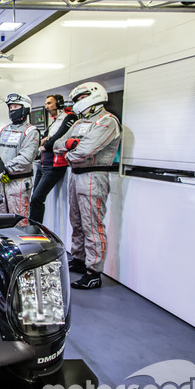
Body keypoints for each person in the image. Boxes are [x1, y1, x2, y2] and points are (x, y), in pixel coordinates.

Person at [53, 82, 121, 290]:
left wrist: (69, 151)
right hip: (75, 175)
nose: (78, 103)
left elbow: (84, 151)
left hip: (94, 175)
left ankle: (94, 272)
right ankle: (80, 260)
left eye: (81, 98)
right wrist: (70, 147)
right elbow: (57, 144)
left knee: (92, 225)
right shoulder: (79, 123)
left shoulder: (107, 121)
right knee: (76, 222)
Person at [30, 94, 78, 224]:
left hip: (54, 166)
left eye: (49, 103)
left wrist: (47, 143)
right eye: (46, 104)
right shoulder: (54, 120)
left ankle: (35, 230)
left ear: (59, 103)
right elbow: (42, 140)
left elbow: (55, 140)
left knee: (37, 198)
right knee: (34, 199)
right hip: (43, 164)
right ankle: (33, 227)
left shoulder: (70, 117)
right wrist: (45, 142)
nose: (47, 107)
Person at [0, 92, 40, 219]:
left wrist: (6, 168)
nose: (12, 110)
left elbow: (26, 157)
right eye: (10, 107)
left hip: (19, 182)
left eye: (16, 107)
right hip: (2, 182)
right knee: (1, 219)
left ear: (25, 108)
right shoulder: (3, 130)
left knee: (18, 221)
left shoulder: (31, 131)